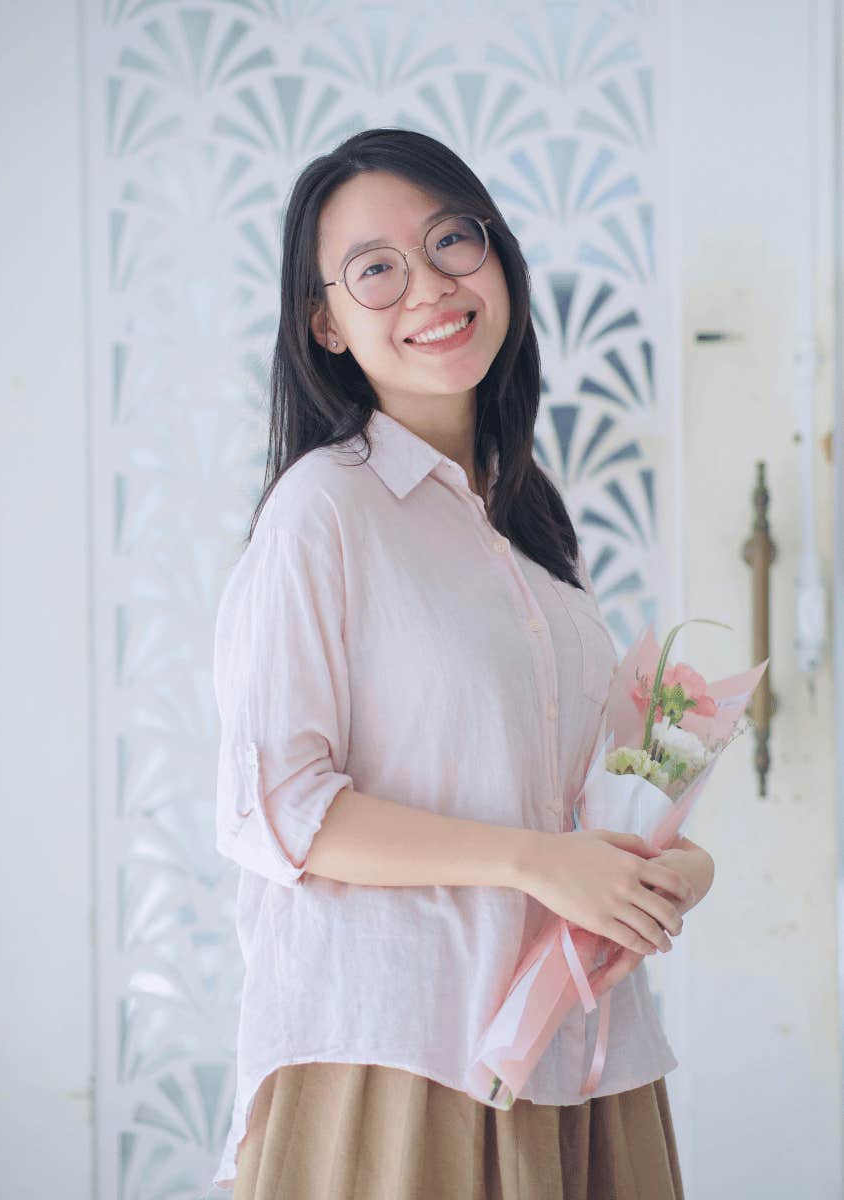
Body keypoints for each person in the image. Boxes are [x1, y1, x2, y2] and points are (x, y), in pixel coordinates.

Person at [209, 127, 715, 1199]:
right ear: (325, 323)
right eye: (376, 269)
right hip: (402, 1052)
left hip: (579, 1053)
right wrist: (536, 863)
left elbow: (570, 800)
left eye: (452, 240)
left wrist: (663, 869)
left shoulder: (533, 533)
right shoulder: (322, 512)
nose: (430, 285)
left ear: (500, 260)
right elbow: (279, 809)